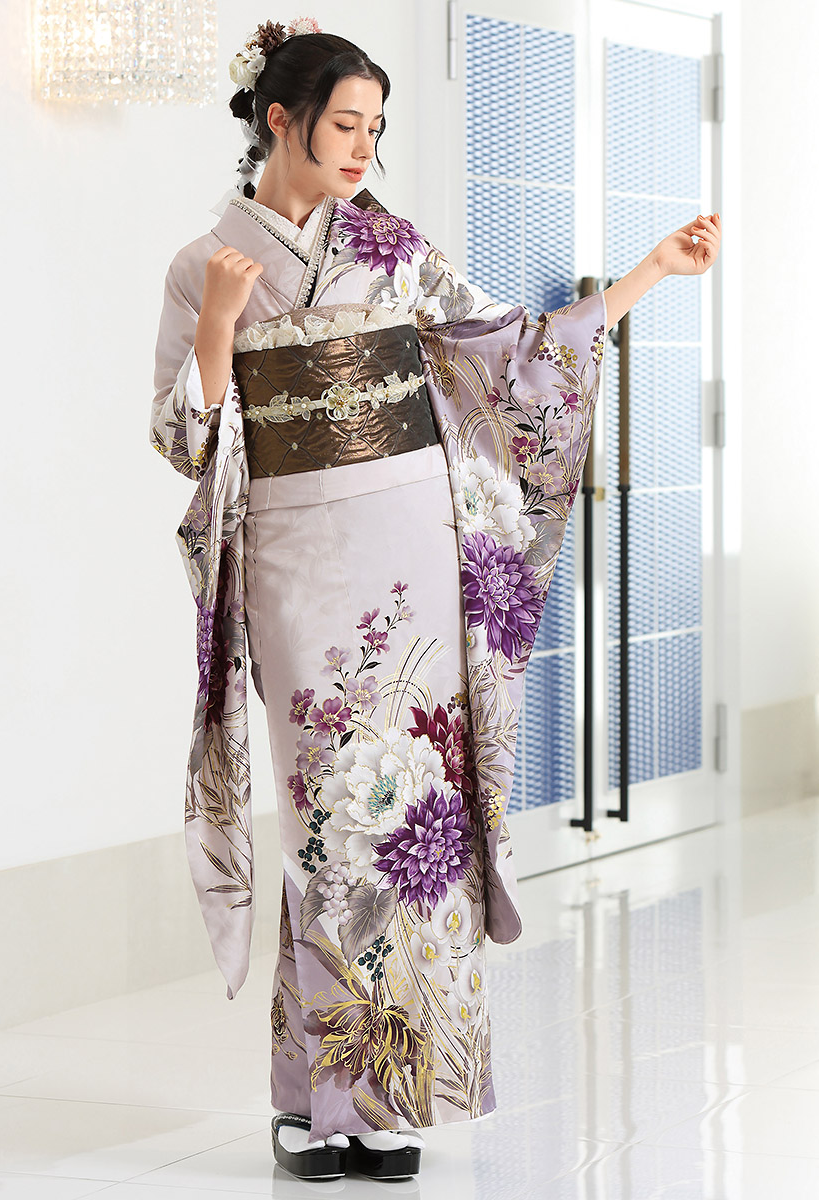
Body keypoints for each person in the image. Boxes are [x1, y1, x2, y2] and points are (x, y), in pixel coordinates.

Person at [150, 16, 721, 1183]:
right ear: (280, 120)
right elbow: (182, 441)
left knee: (412, 815)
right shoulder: (206, 262)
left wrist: (649, 275)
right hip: (298, 563)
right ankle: (316, 1099)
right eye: (345, 124)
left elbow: (514, 352)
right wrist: (214, 327)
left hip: (412, 548)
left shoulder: (395, 247)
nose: (365, 147)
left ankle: (389, 1097)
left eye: (377, 127)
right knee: (330, 829)